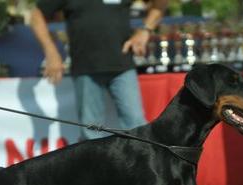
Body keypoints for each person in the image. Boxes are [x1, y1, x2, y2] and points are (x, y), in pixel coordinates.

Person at [30, 0, 169, 139]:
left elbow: (161, 3)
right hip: (86, 69)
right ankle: (95, 161)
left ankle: (139, 161)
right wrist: (51, 51)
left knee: (138, 129)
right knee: (91, 133)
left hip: (123, 65)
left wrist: (145, 30)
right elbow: (36, 15)